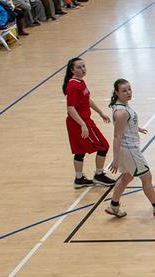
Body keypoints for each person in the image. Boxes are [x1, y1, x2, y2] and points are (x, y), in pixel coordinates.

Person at [105, 79, 155, 217]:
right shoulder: (122, 112)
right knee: (146, 177)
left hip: (126, 151)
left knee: (126, 177)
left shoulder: (121, 106)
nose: (128, 93)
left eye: (129, 89)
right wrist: (114, 160)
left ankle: (114, 205)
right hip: (130, 150)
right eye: (124, 91)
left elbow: (124, 126)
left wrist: (136, 128)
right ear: (117, 93)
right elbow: (116, 136)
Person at [62, 57, 117, 189]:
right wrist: (83, 125)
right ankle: (99, 175)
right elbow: (70, 108)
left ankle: (79, 178)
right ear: (72, 70)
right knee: (103, 146)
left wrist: (100, 112)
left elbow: (87, 100)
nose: (83, 69)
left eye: (84, 66)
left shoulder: (80, 82)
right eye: (79, 67)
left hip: (83, 121)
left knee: (80, 151)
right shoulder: (73, 85)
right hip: (80, 122)